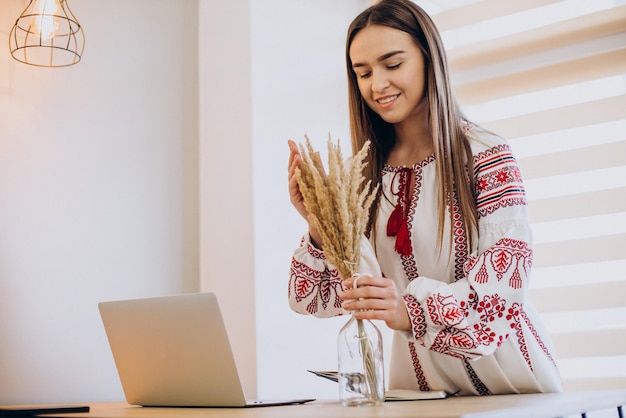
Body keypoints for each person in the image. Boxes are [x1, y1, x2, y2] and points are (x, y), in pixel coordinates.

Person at [286, 0, 562, 396]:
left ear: (429, 59)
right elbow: (314, 300)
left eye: (392, 65)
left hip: (511, 390)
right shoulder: (364, 178)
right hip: (418, 396)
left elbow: (500, 296)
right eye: (362, 72)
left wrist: (408, 311)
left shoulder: (485, 155)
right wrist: (318, 225)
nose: (376, 84)